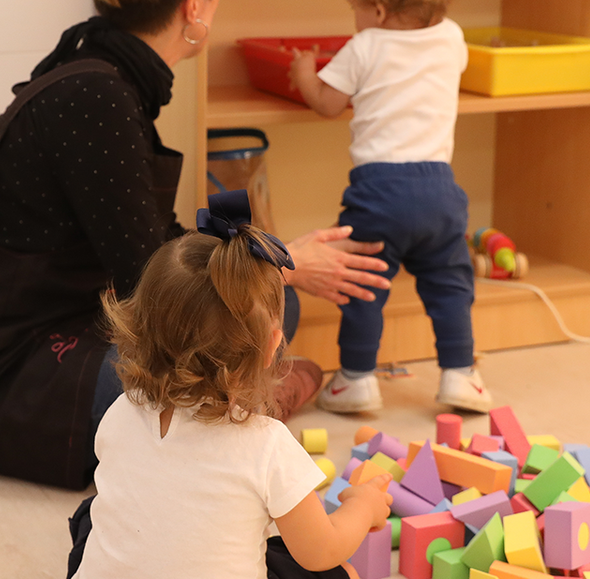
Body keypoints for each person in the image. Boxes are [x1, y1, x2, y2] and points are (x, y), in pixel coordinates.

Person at [0, 0, 390, 491]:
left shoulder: (103, 74)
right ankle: (252, 406)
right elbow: (152, 274)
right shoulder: (98, 96)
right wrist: (284, 262)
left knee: (264, 310)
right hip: (5, 378)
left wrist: (270, 259)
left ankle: (246, 399)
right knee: (249, 316)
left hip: (73, 318)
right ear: (195, 5)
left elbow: (154, 240)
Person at [67, 195, 393, 579]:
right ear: (273, 345)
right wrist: (363, 505)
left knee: (90, 516)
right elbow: (321, 551)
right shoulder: (267, 444)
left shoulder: (120, 410)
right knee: (337, 572)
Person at [288, 0, 491, 414]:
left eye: (354, 5)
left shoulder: (365, 46)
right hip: (441, 192)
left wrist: (302, 72)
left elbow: (328, 103)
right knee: (450, 284)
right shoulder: (453, 39)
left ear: (376, 8)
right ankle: (461, 375)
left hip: (380, 193)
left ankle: (356, 380)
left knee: (364, 284)